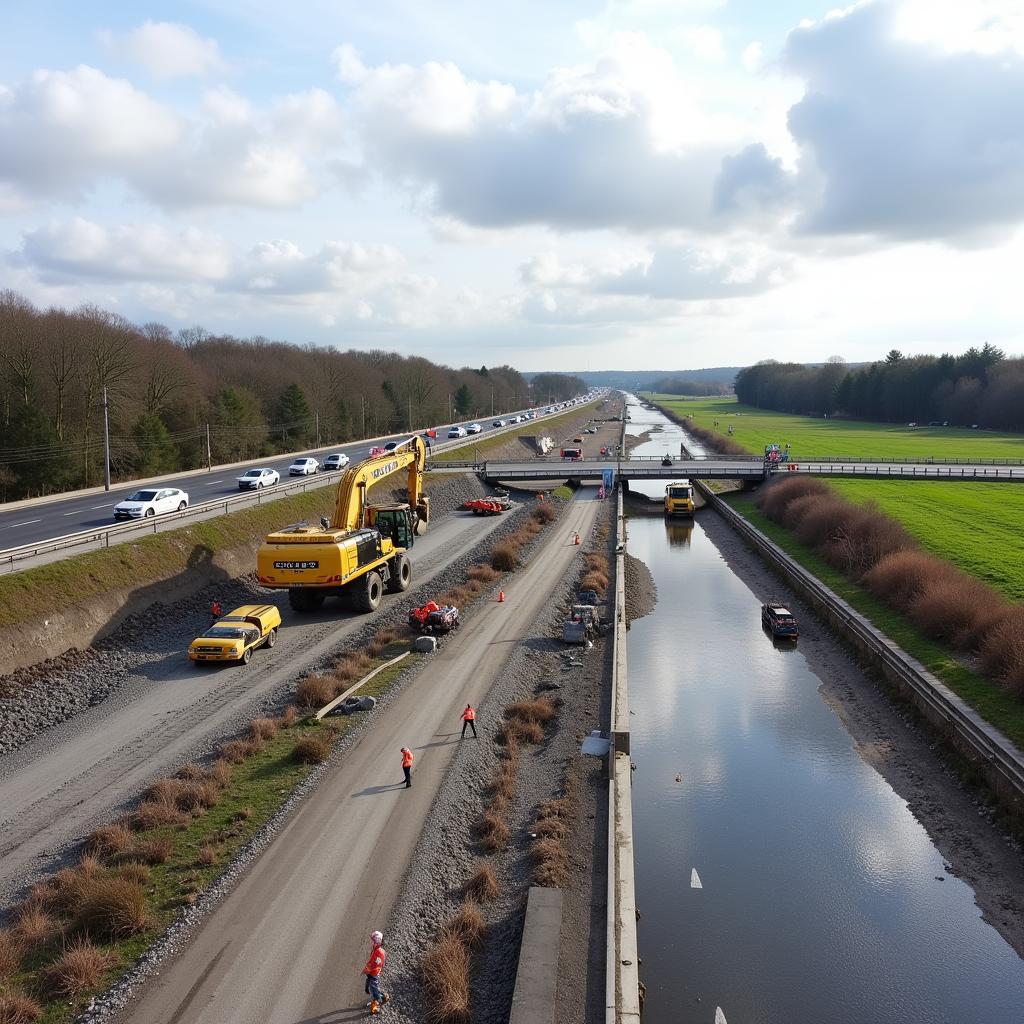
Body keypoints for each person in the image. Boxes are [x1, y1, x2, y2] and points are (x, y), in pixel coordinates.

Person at [362, 930, 389, 1014]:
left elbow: (376, 965)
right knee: (372, 987)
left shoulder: (379, 952)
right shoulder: (376, 948)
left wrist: (368, 969)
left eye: (374, 940)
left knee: (374, 990)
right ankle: (384, 997)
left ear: (378, 941)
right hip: (372, 973)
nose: (372, 942)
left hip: (374, 974)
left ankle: (375, 1006)